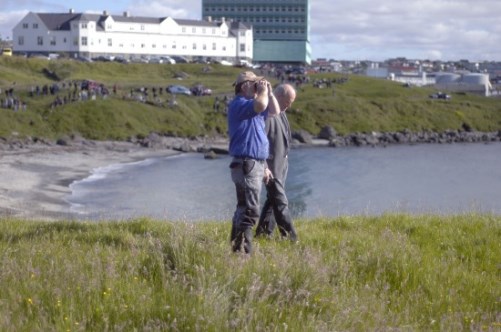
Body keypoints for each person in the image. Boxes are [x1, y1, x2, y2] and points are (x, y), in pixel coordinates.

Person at [228, 71, 280, 253]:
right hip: (246, 164)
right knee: (250, 210)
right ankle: (243, 251)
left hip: (252, 163)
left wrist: (269, 92)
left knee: (243, 208)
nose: (260, 86)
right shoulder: (240, 104)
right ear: (244, 86)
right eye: (255, 83)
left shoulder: (253, 105)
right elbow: (261, 105)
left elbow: (275, 111)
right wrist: (263, 93)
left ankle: (236, 249)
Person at [256, 83, 298, 241]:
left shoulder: (281, 112)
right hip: (271, 168)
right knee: (280, 201)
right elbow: (260, 142)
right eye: (288, 101)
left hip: (281, 165)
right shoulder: (267, 114)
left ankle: (263, 233)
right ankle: (291, 237)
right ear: (278, 96)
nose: (289, 105)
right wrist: (265, 167)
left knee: (273, 200)